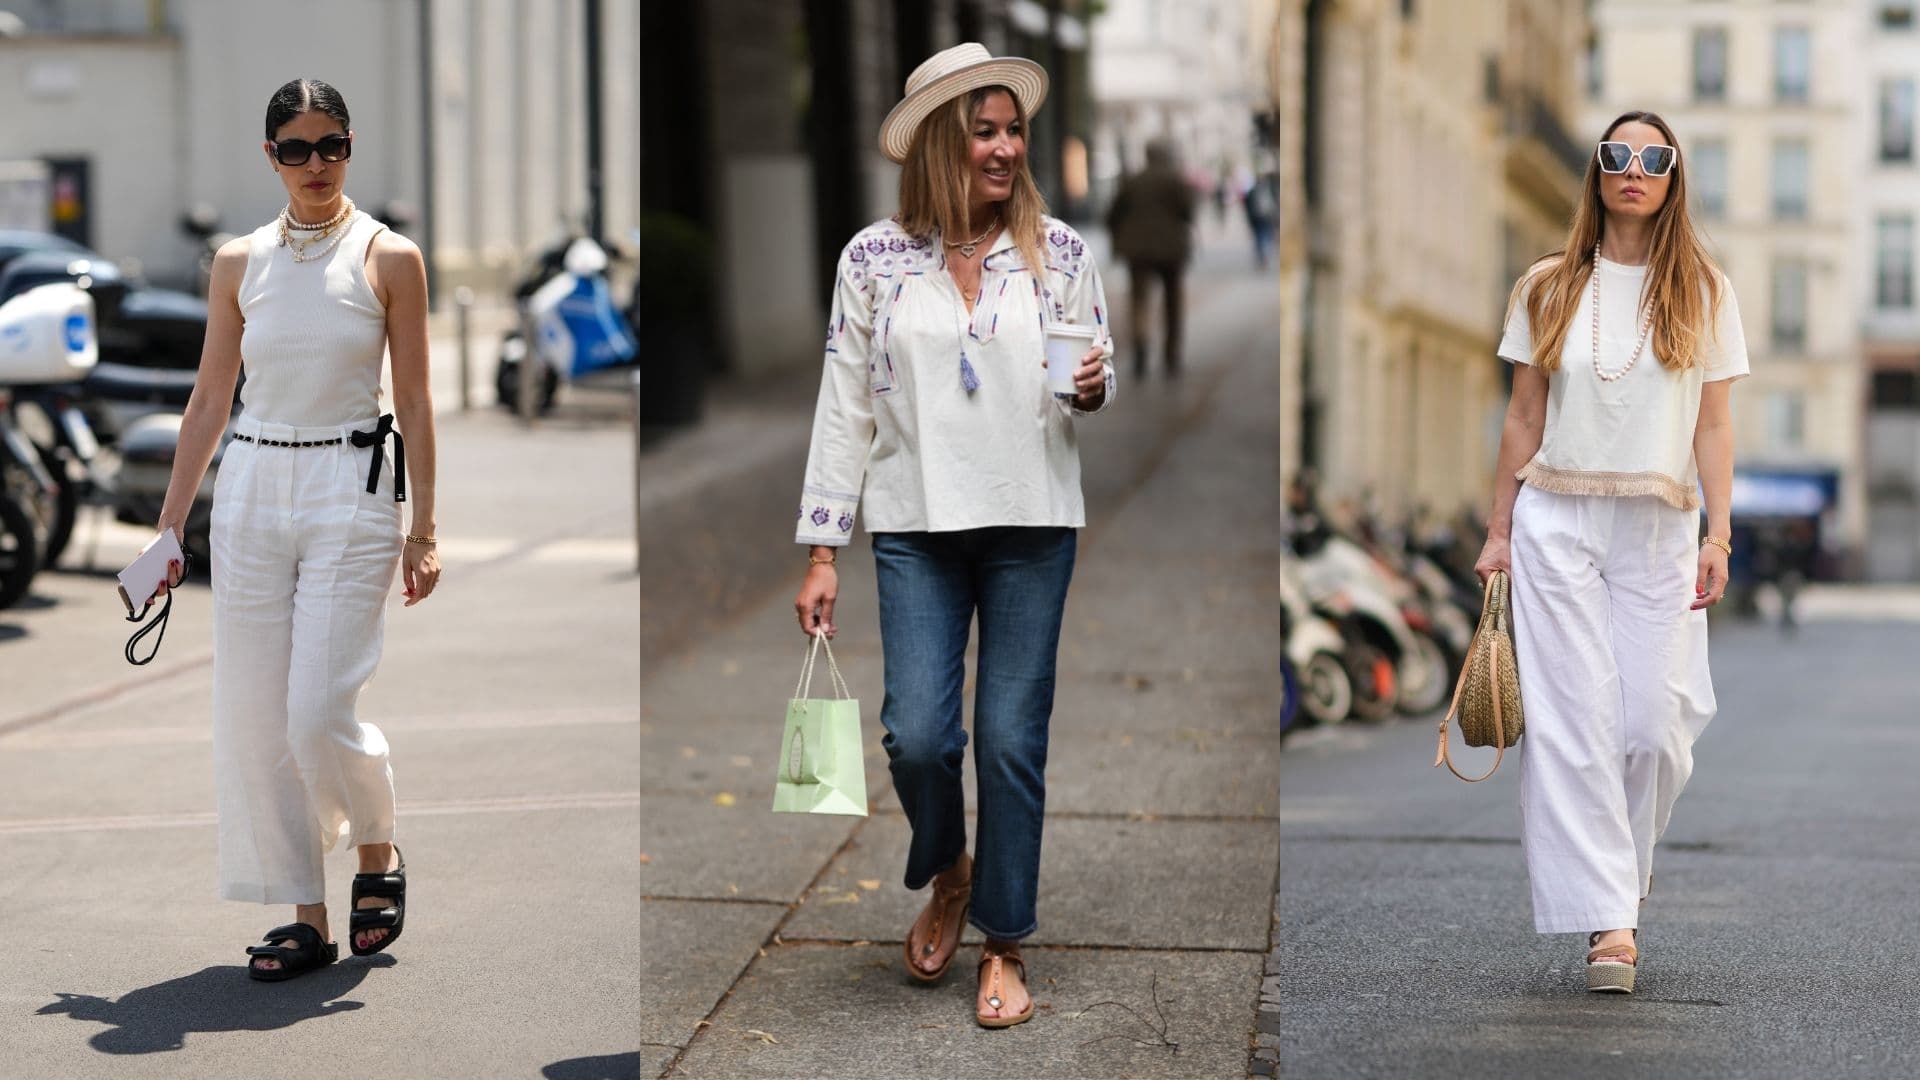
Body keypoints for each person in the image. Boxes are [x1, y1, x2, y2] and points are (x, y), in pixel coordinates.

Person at [791, 42, 1115, 1029]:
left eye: (1015, 129)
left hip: (1032, 523)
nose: (1008, 146)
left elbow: (1089, 363)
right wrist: (820, 547)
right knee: (919, 736)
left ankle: (1005, 942)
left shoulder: (1059, 253)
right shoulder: (872, 260)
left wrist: (1097, 386)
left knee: (1012, 742)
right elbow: (844, 406)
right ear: (941, 142)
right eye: (987, 130)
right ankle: (951, 867)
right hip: (916, 526)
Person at [153, 77, 440, 981]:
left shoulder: (390, 257)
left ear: (351, 146)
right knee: (253, 717)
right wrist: (168, 530)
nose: (316, 164)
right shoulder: (238, 262)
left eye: (333, 145)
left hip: (350, 488)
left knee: (317, 712)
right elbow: (209, 400)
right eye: (296, 149)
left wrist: (423, 529)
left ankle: (376, 850)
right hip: (251, 485)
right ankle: (304, 914)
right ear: (269, 155)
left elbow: (421, 402)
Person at [1475, 110, 1746, 994]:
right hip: (1557, 519)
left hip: (1661, 524)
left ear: (1673, 177)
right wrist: (1498, 530)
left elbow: (1713, 424)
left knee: (1653, 731)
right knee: (1575, 729)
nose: (1634, 169)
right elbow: (1522, 417)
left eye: (1653, 157)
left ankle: (1620, 871)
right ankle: (1611, 923)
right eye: (1618, 155)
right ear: (1596, 171)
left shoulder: (1704, 289)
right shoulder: (1548, 286)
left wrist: (1719, 532)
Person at [1106, 138, 1195, 378]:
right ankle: (1171, 354)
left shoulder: (1134, 181)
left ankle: (1141, 347)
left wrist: (1117, 239)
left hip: (1138, 250)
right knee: (1173, 302)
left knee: (1139, 301)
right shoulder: (1175, 181)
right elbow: (1188, 212)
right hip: (1171, 249)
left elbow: (1113, 213)